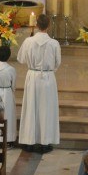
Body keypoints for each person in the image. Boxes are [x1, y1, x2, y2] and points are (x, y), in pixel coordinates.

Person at [18, 14, 61, 153]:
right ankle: (45, 142)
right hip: (48, 77)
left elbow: (21, 59)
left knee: (31, 108)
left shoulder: (28, 41)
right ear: (49, 25)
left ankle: (29, 141)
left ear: (36, 25)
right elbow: (57, 63)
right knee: (46, 109)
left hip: (32, 76)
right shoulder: (54, 43)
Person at [0, 45, 17, 143]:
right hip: (7, 94)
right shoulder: (11, 69)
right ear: (8, 56)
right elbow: (13, 85)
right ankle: (7, 139)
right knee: (7, 115)